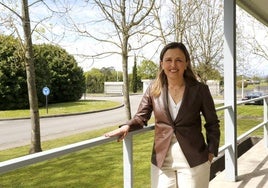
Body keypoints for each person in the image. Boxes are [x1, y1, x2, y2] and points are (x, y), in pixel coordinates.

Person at [105, 42, 220, 188]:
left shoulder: (200, 90)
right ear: (161, 63)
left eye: (178, 60)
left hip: (195, 160)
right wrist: (126, 126)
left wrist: (211, 151)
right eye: (168, 60)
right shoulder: (154, 89)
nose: (173, 64)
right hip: (162, 160)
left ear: (186, 63)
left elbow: (212, 123)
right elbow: (141, 117)